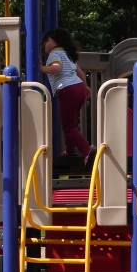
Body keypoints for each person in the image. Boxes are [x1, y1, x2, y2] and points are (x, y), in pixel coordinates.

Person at [39, 28, 95, 167]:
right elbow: (79, 71)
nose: (45, 43)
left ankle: (87, 152)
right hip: (78, 88)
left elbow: (56, 69)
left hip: (67, 89)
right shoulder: (66, 54)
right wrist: (86, 87)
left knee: (69, 127)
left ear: (56, 41)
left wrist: (41, 68)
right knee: (70, 123)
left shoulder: (54, 54)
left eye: (48, 40)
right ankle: (70, 150)